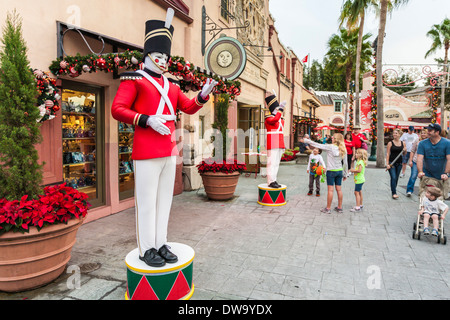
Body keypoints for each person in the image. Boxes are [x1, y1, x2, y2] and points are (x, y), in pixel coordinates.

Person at [111, 8, 218, 267]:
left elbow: (189, 107)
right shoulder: (134, 79)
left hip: (169, 149)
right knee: (146, 203)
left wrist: (202, 95)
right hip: (146, 148)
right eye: (158, 55)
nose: (163, 60)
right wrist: (146, 120)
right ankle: (145, 248)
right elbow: (117, 109)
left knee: (164, 202)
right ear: (147, 55)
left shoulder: (172, 86)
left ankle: (160, 243)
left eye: (165, 56)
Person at [301, 133, 348, 214]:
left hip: (331, 171)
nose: (332, 139)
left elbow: (317, 144)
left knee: (330, 190)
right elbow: (346, 163)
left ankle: (328, 208)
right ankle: (340, 208)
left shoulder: (330, 147)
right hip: (339, 171)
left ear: (335, 139)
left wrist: (305, 140)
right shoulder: (343, 148)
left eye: (333, 138)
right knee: (339, 190)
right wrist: (345, 173)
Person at [417, 123, 450, 199]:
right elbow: (419, 158)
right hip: (427, 176)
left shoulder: (447, 143)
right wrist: (420, 171)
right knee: (424, 199)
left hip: (442, 176)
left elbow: (449, 159)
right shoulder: (422, 143)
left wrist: (446, 173)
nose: (428, 132)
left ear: (437, 132)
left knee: (439, 201)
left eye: (430, 130)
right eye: (427, 130)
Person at [264, 91, 286, 189]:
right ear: (273, 109)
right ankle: (270, 181)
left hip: (279, 143)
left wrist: (280, 110)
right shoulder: (268, 118)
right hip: (272, 142)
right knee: (271, 163)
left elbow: (280, 120)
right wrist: (280, 109)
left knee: (276, 163)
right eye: (276, 109)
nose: (279, 111)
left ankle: (274, 179)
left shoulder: (280, 119)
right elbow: (274, 120)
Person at [386, 128, 407, 199]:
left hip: (399, 163)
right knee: (393, 177)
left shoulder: (403, 143)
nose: (394, 134)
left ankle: (394, 190)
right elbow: (388, 154)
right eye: (394, 133)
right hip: (392, 163)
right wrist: (387, 164)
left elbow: (404, 154)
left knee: (396, 178)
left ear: (400, 135)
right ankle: (394, 193)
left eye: (396, 133)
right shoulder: (390, 143)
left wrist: (405, 150)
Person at [406, 129, 427, 197]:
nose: (423, 134)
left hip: (425, 162)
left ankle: (423, 191)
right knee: (413, 176)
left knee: (424, 178)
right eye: (422, 133)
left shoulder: (429, 141)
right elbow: (412, 150)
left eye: (424, 133)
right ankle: (409, 190)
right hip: (416, 161)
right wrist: (410, 160)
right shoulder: (417, 140)